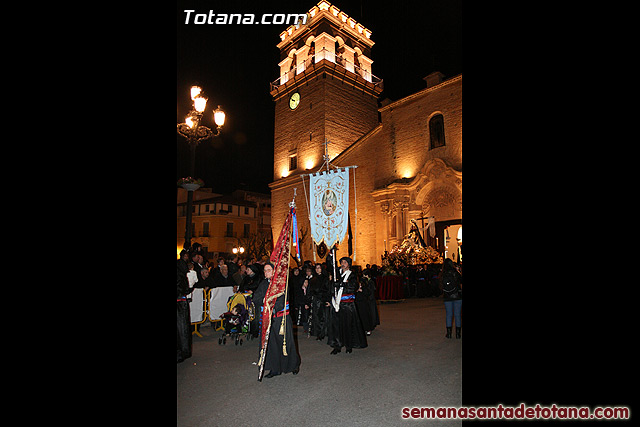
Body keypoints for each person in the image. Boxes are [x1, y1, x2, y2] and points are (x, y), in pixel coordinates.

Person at [253, 262, 300, 378]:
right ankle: (275, 368)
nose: (266, 272)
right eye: (265, 270)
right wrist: (266, 300)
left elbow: (282, 300)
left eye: (268, 270)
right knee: (271, 344)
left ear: (274, 271)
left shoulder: (282, 283)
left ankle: (293, 365)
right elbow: (256, 298)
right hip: (267, 319)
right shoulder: (263, 284)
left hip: (281, 319)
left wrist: (271, 306)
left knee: (285, 343)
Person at [327, 256, 368, 354]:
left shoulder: (352, 275)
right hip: (337, 304)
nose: (342, 264)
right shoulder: (337, 273)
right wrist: (330, 257)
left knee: (348, 325)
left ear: (348, 264)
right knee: (337, 326)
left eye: (345, 262)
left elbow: (353, 286)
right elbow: (330, 269)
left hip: (347, 304)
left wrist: (342, 284)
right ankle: (337, 345)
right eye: (341, 262)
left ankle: (348, 345)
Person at [440, 258, 462, 339]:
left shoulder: (443, 274)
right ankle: (458, 334)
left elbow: (441, 285)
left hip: (447, 296)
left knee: (449, 315)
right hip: (457, 295)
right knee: (457, 315)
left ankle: (449, 333)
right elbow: (461, 280)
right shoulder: (455, 272)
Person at [177, 249, 193, 363]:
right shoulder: (182, 277)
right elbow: (185, 289)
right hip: (180, 304)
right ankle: (183, 352)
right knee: (182, 329)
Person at [309, 263, 330, 340]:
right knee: (316, 317)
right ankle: (318, 333)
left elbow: (328, 290)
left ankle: (323, 333)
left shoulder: (325, 278)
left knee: (323, 317)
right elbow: (310, 290)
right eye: (316, 268)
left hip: (323, 299)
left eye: (319, 268)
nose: (317, 269)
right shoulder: (313, 279)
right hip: (316, 299)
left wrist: (328, 300)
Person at [356, 269, 379, 335]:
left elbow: (370, 291)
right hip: (365, 300)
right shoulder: (364, 281)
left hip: (369, 300)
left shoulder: (370, 282)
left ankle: (370, 326)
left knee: (370, 314)